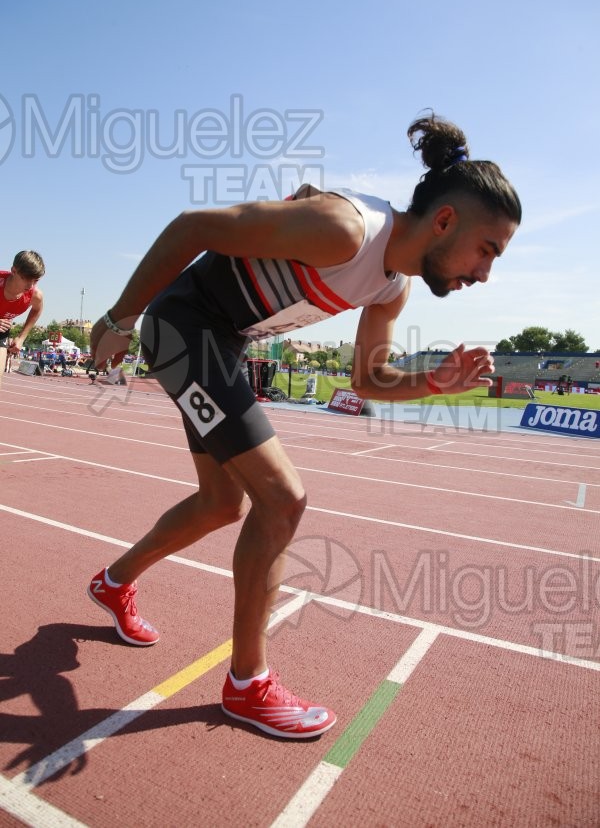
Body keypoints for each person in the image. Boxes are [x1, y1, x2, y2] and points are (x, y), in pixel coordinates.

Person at [87, 112, 521, 739]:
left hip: (223, 345)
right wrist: (121, 319)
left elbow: (368, 381)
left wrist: (434, 383)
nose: (484, 273)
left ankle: (114, 582)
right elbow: (190, 228)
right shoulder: (343, 229)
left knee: (219, 504)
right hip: (182, 330)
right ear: (446, 220)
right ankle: (246, 685)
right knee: (283, 499)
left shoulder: (390, 289)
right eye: (488, 251)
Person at [0, 251, 45, 384]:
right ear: (14, 271)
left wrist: (21, 337)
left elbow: (37, 310)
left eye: (35, 280)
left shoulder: (35, 295)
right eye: (26, 278)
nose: (30, 285)